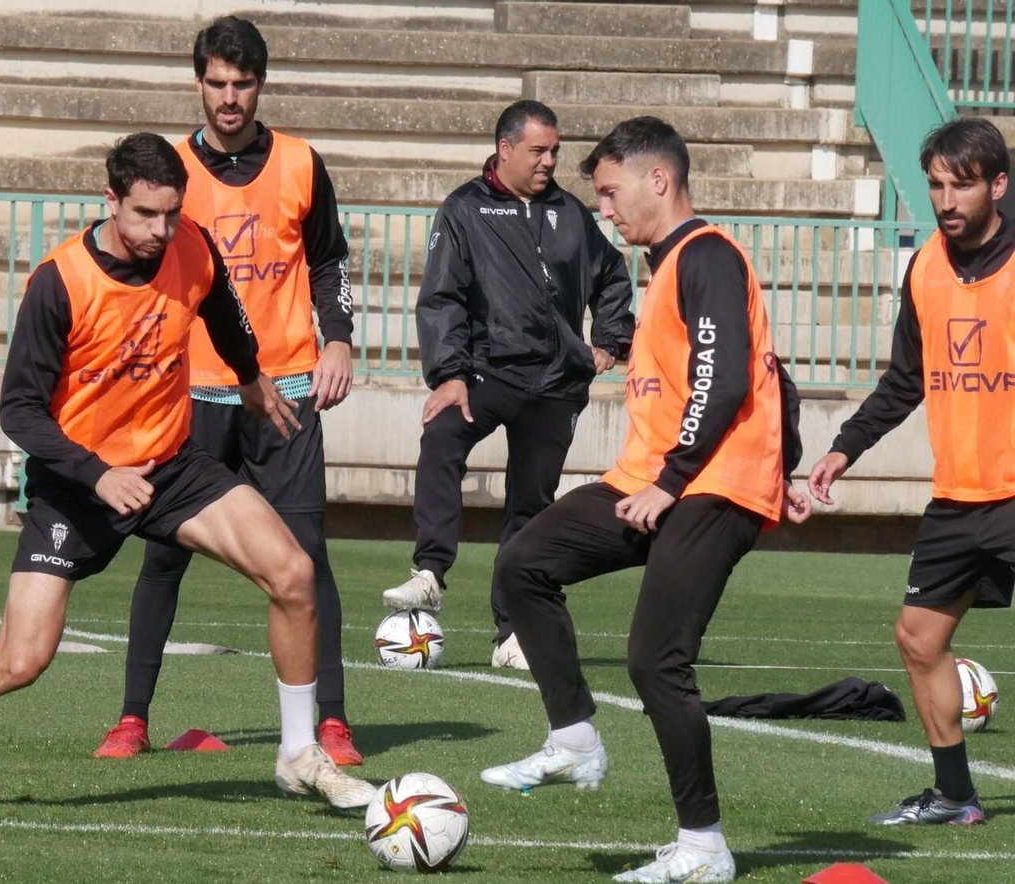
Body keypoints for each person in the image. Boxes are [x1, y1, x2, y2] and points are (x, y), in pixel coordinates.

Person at [0, 133, 376, 812]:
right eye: (144, 215)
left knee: (294, 574)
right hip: (76, 489)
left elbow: (225, 314)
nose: (161, 230)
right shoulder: (60, 282)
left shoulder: (192, 246)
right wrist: (97, 476)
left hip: (173, 466)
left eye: (172, 213)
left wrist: (250, 379)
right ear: (110, 201)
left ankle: (299, 753)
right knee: (20, 661)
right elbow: (19, 412)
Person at [479, 117, 809, 883]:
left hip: (710, 485)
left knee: (656, 661)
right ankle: (573, 740)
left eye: (610, 193)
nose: (606, 211)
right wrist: (786, 466)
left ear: (658, 180)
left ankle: (704, 847)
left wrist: (680, 480)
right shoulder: (671, 269)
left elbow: (726, 383)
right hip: (657, 480)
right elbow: (772, 374)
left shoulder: (707, 256)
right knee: (524, 563)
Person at [94, 16, 362, 764]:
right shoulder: (170, 168)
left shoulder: (304, 163)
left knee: (307, 559)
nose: (229, 97)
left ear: (261, 84)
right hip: (191, 394)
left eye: (242, 83)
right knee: (163, 558)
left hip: (288, 394)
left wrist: (337, 337)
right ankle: (132, 720)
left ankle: (331, 724)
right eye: (216, 83)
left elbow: (330, 262)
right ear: (198, 83)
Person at [808, 116, 1015, 828]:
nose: (946, 200)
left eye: (962, 185)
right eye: (935, 185)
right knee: (919, 638)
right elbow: (905, 380)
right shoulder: (925, 265)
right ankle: (956, 795)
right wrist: (845, 446)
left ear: (999, 185)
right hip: (959, 497)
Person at [382, 100, 635, 671]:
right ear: (506, 149)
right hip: (487, 374)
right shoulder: (465, 209)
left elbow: (612, 276)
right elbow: (441, 297)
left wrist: (610, 341)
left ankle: (511, 634)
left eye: (555, 151)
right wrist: (449, 374)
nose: (549, 162)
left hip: (555, 384)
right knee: (442, 438)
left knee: (531, 505)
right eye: (539, 151)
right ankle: (430, 572)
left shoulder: (570, 213)